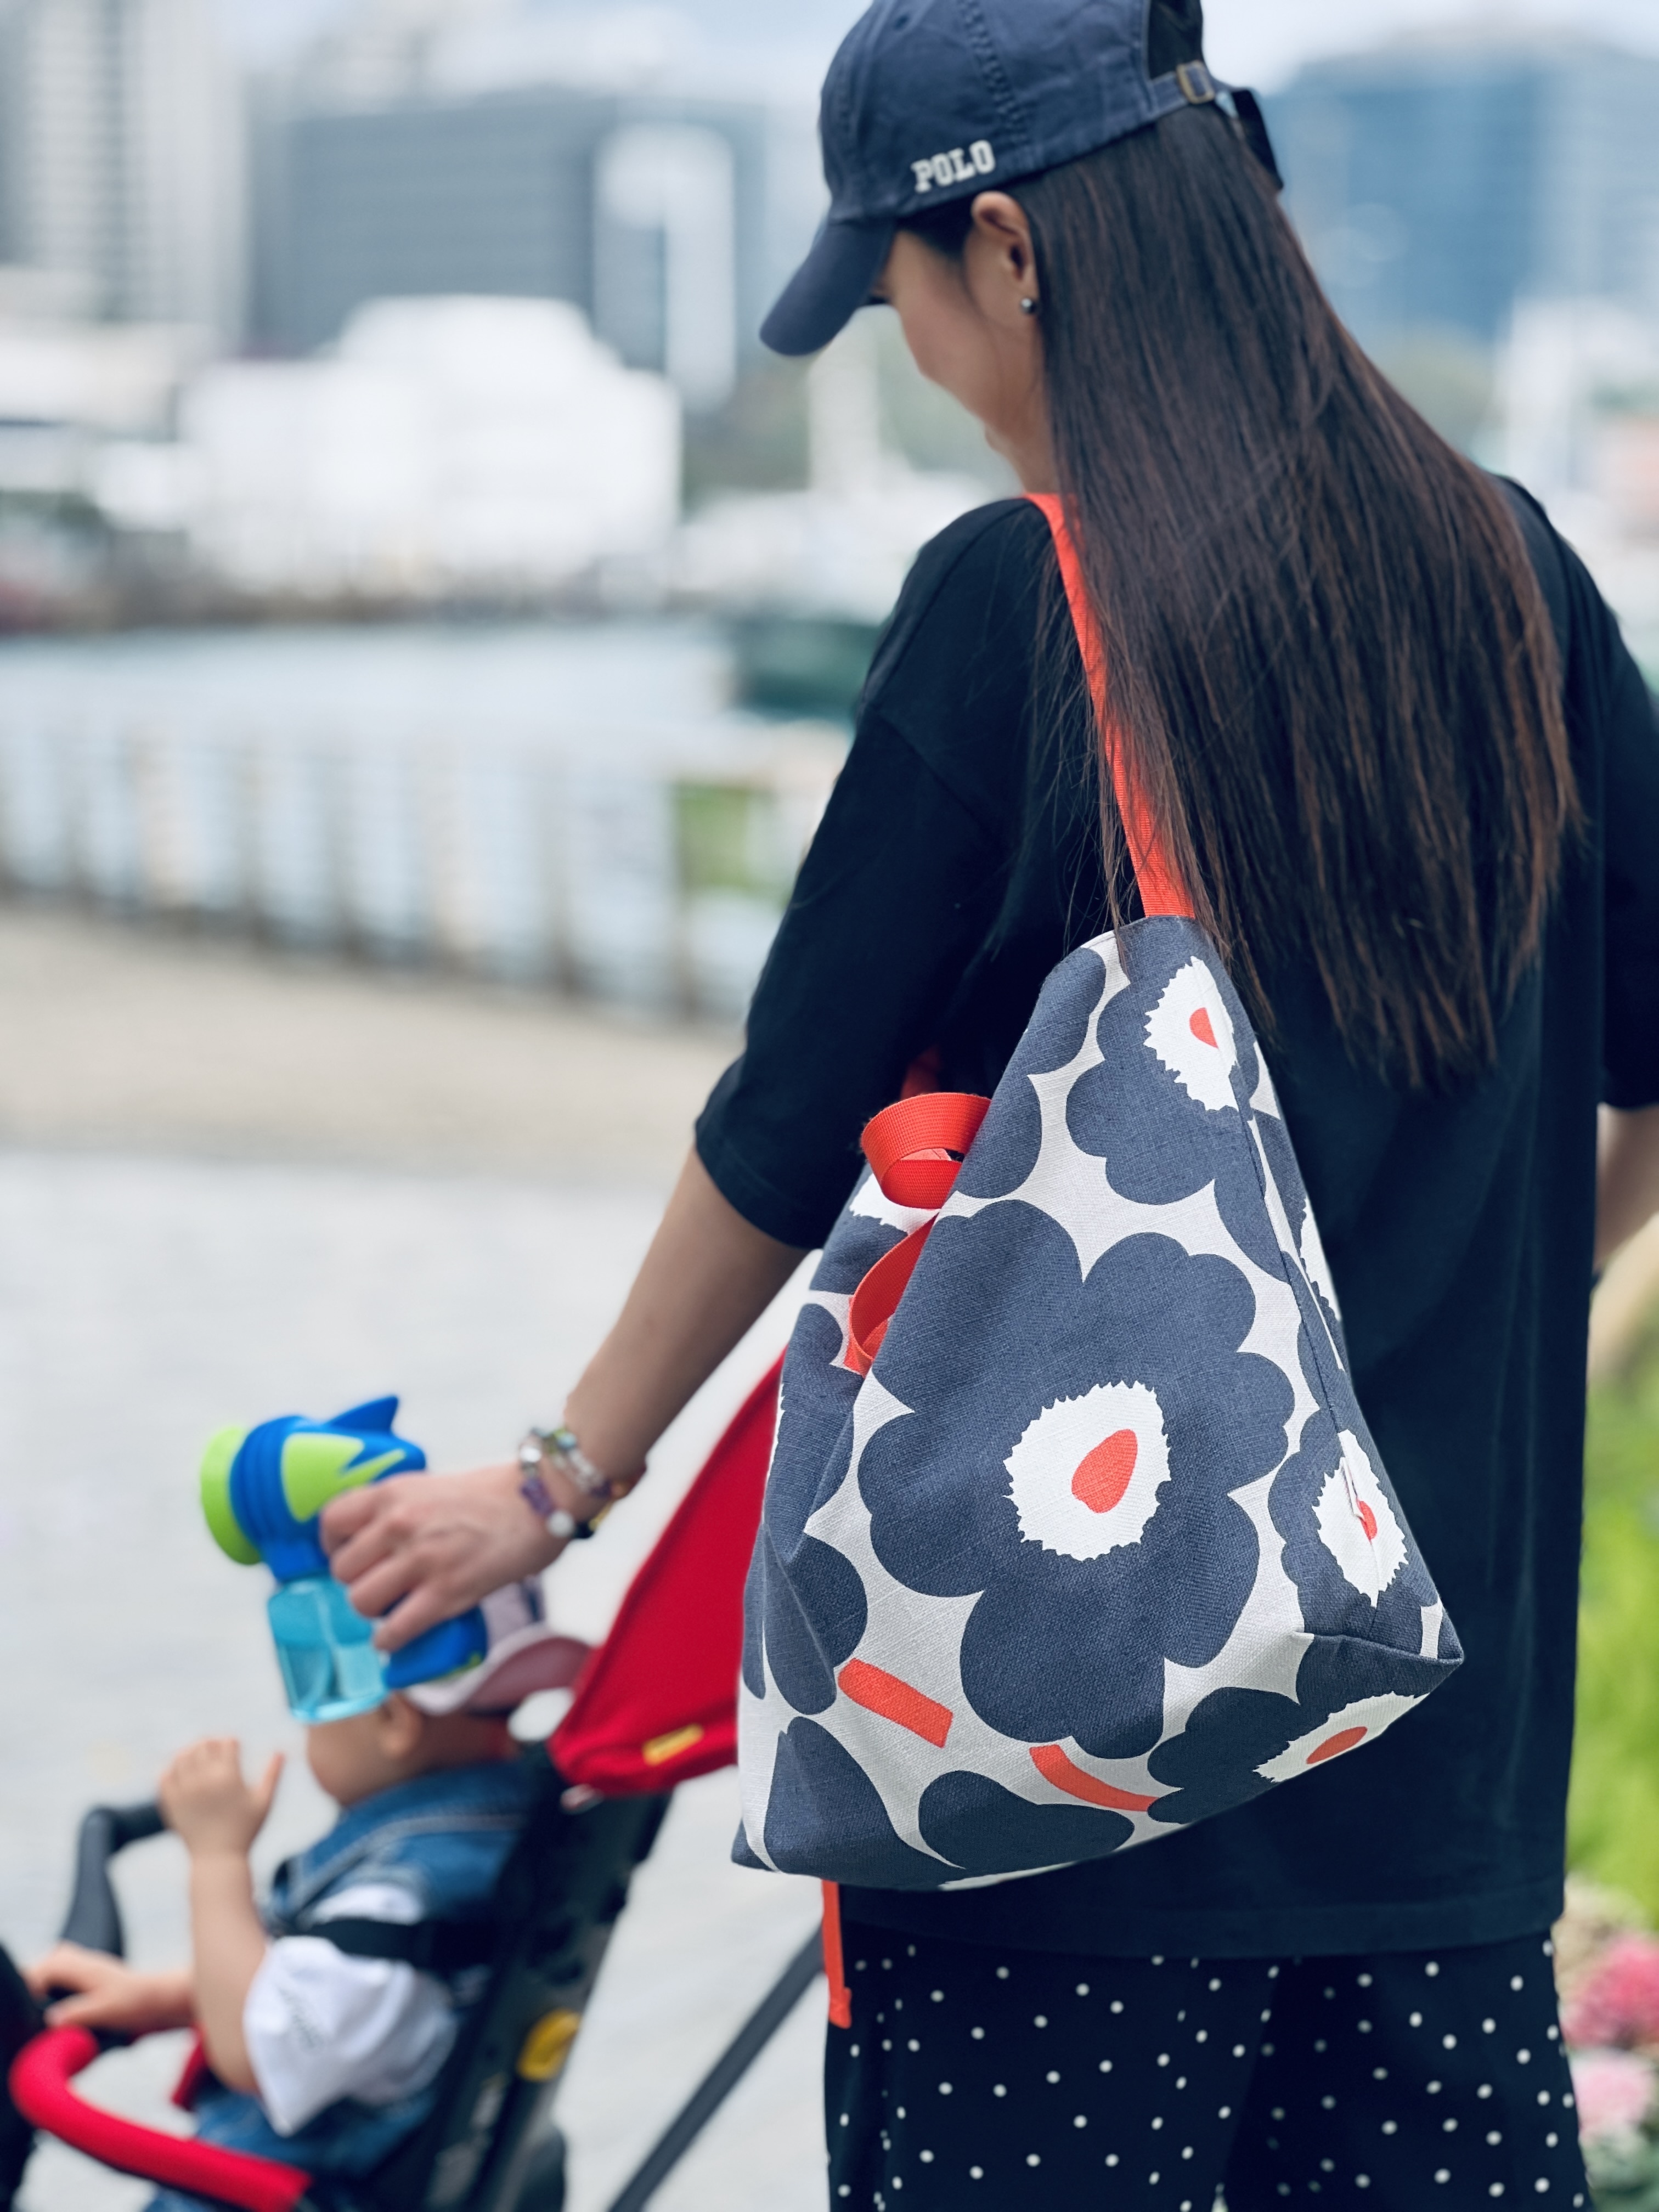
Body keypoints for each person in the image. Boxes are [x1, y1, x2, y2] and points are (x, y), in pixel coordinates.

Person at [318, 1, 1659, 2205]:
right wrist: (1497, 1295)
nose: (924, 358)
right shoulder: (1518, 572)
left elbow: (783, 1128)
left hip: (1062, 1815)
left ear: (1010, 249)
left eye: (901, 294)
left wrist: (555, 1485)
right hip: (1447, 1817)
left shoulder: (1016, 602)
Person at [16, 1581, 568, 2212]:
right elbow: (348, 1994)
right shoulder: (498, 1839)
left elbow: (255, 2052)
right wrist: (162, 1998)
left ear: (393, 1721)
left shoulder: (395, 1899)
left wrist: (217, 1858)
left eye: (313, 1695)